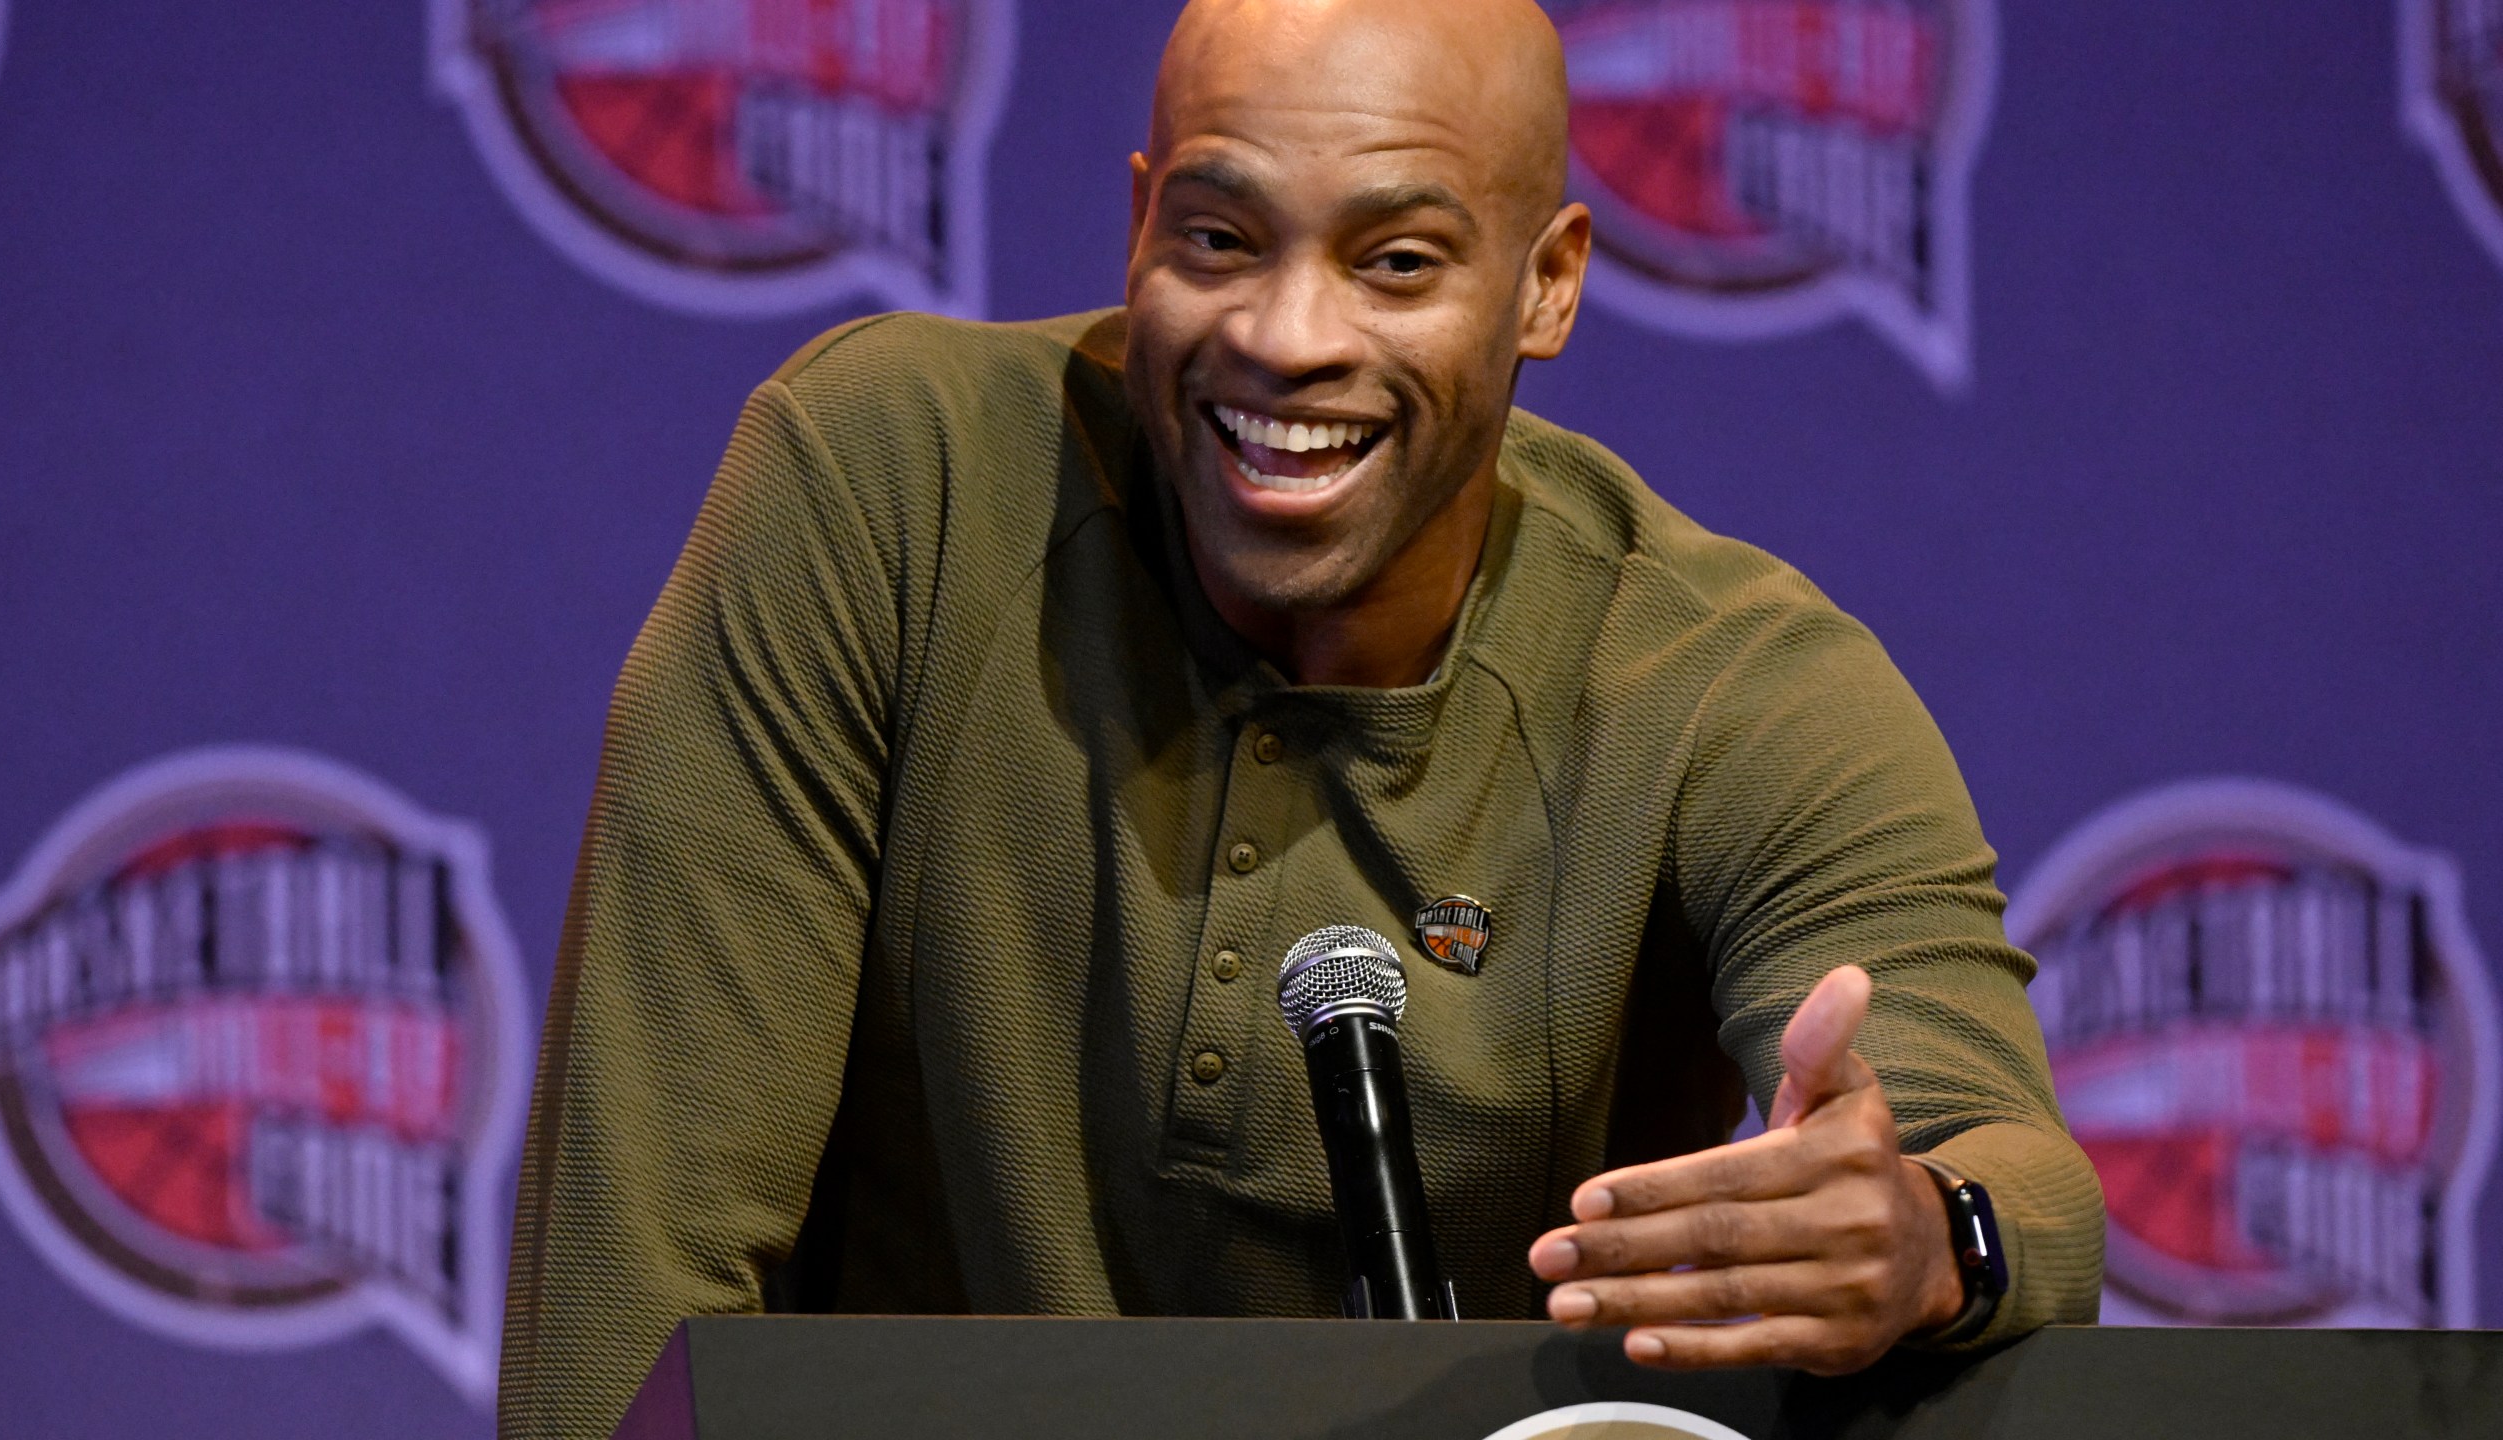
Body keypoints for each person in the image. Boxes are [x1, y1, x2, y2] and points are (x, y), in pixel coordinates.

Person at [498, 0, 2105, 1434]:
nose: (1287, 336)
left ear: (1546, 284)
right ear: (1137, 223)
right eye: (1217, 239)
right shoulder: (886, 490)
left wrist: (1922, 1233)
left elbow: (2012, 1166)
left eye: (1395, 261)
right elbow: (642, 1259)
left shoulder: (1722, 679)